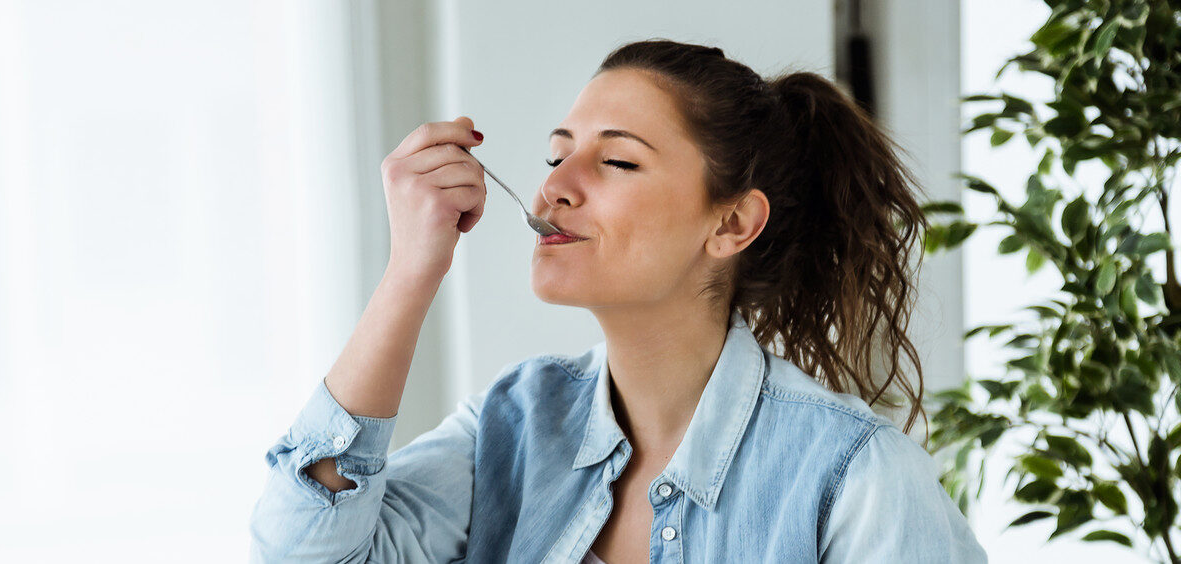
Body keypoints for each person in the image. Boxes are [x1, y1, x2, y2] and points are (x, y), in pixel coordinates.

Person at [249, 38, 988, 563]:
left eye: (617, 160)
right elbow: (302, 554)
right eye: (555, 153)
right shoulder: (511, 427)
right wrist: (410, 270)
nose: (555, 186)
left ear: (732, 223)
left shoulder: (856, 477)